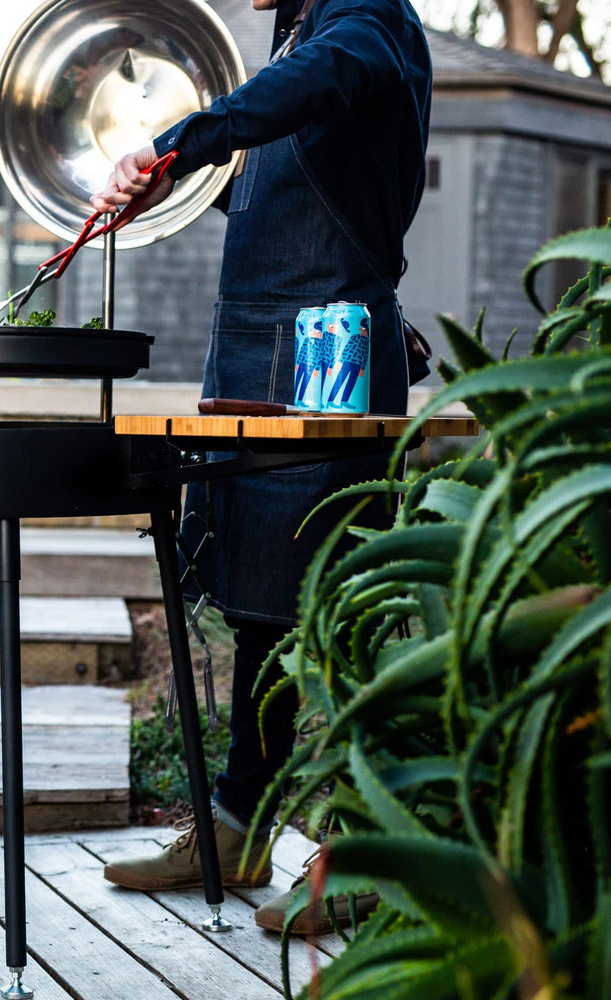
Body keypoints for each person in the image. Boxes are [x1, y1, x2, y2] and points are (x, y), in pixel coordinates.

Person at [92, 0, 430, 934]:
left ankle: (361, 858)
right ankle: (237, 830)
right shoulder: (295, 31)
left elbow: (319, 82)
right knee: (257, 614)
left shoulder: (367, 19)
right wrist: (175, 181)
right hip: (253, 354)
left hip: (332, 363)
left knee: (337, 618)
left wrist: (181, 139)